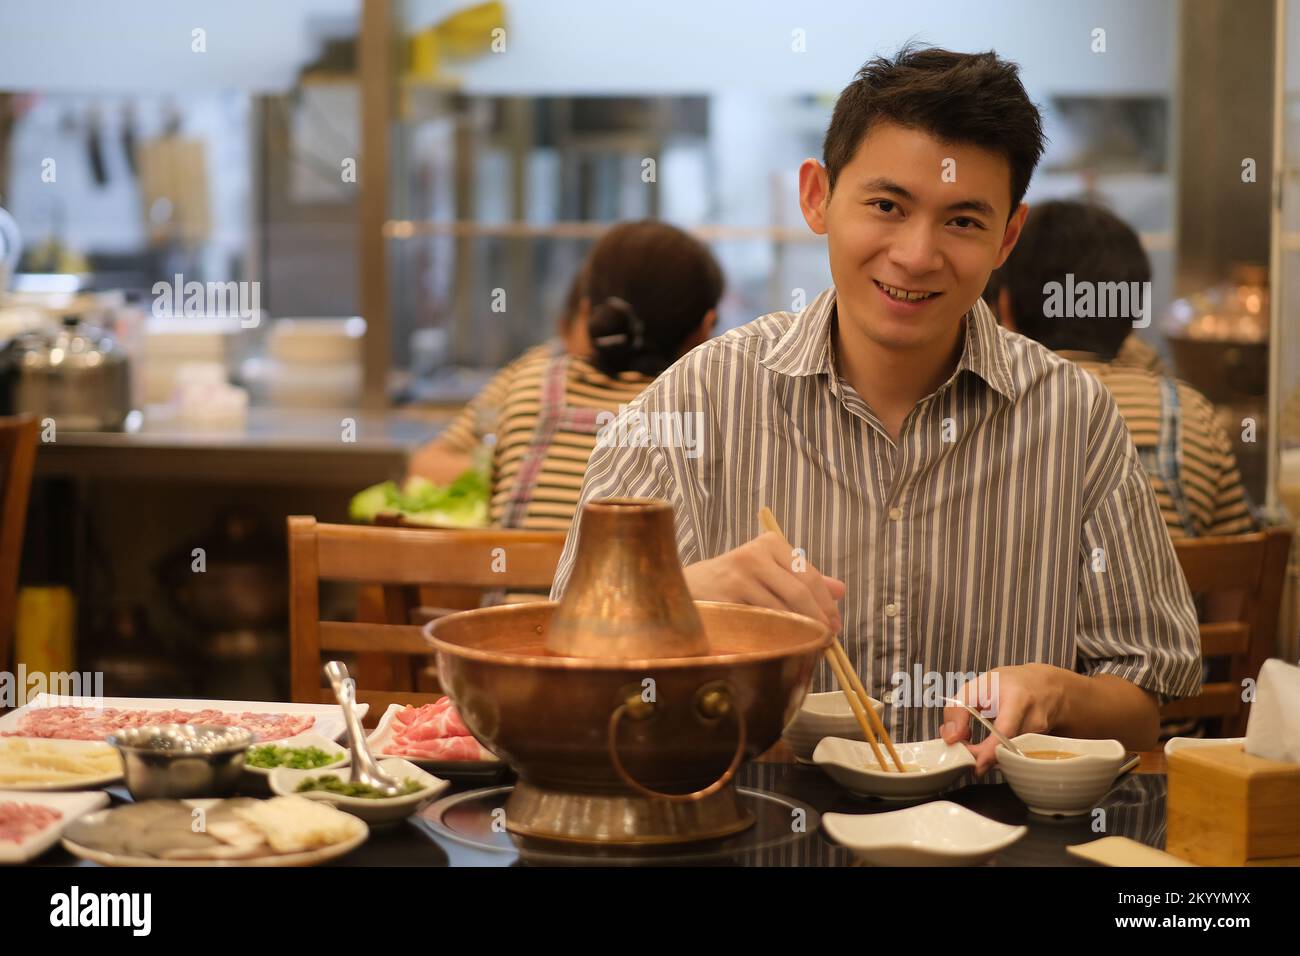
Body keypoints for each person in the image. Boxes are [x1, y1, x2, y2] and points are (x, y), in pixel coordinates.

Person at [551, 46, 1201, 775]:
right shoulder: (693, 400)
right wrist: (678, 599)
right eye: (887, 206)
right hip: (748, 827)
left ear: (1006, 238)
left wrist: (1056, 689)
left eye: (962, 221)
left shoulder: (1075, 418)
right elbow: (565, 653)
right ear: (817, 197)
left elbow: (1147, 694)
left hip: (996, 835)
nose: (917, 255)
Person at [412, 219, 722, 531]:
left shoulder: (530, 377)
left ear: (589, 313)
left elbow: (423, 466)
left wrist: (501, 465)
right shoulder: (707, 408)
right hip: (639, 579)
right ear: (705, 328)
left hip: (513, 576)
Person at [986, 199, 1256, 539]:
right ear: (1130, 318)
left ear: (1005, 307)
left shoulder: (979, 411)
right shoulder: (1191, 414)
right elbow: (1237, 577)